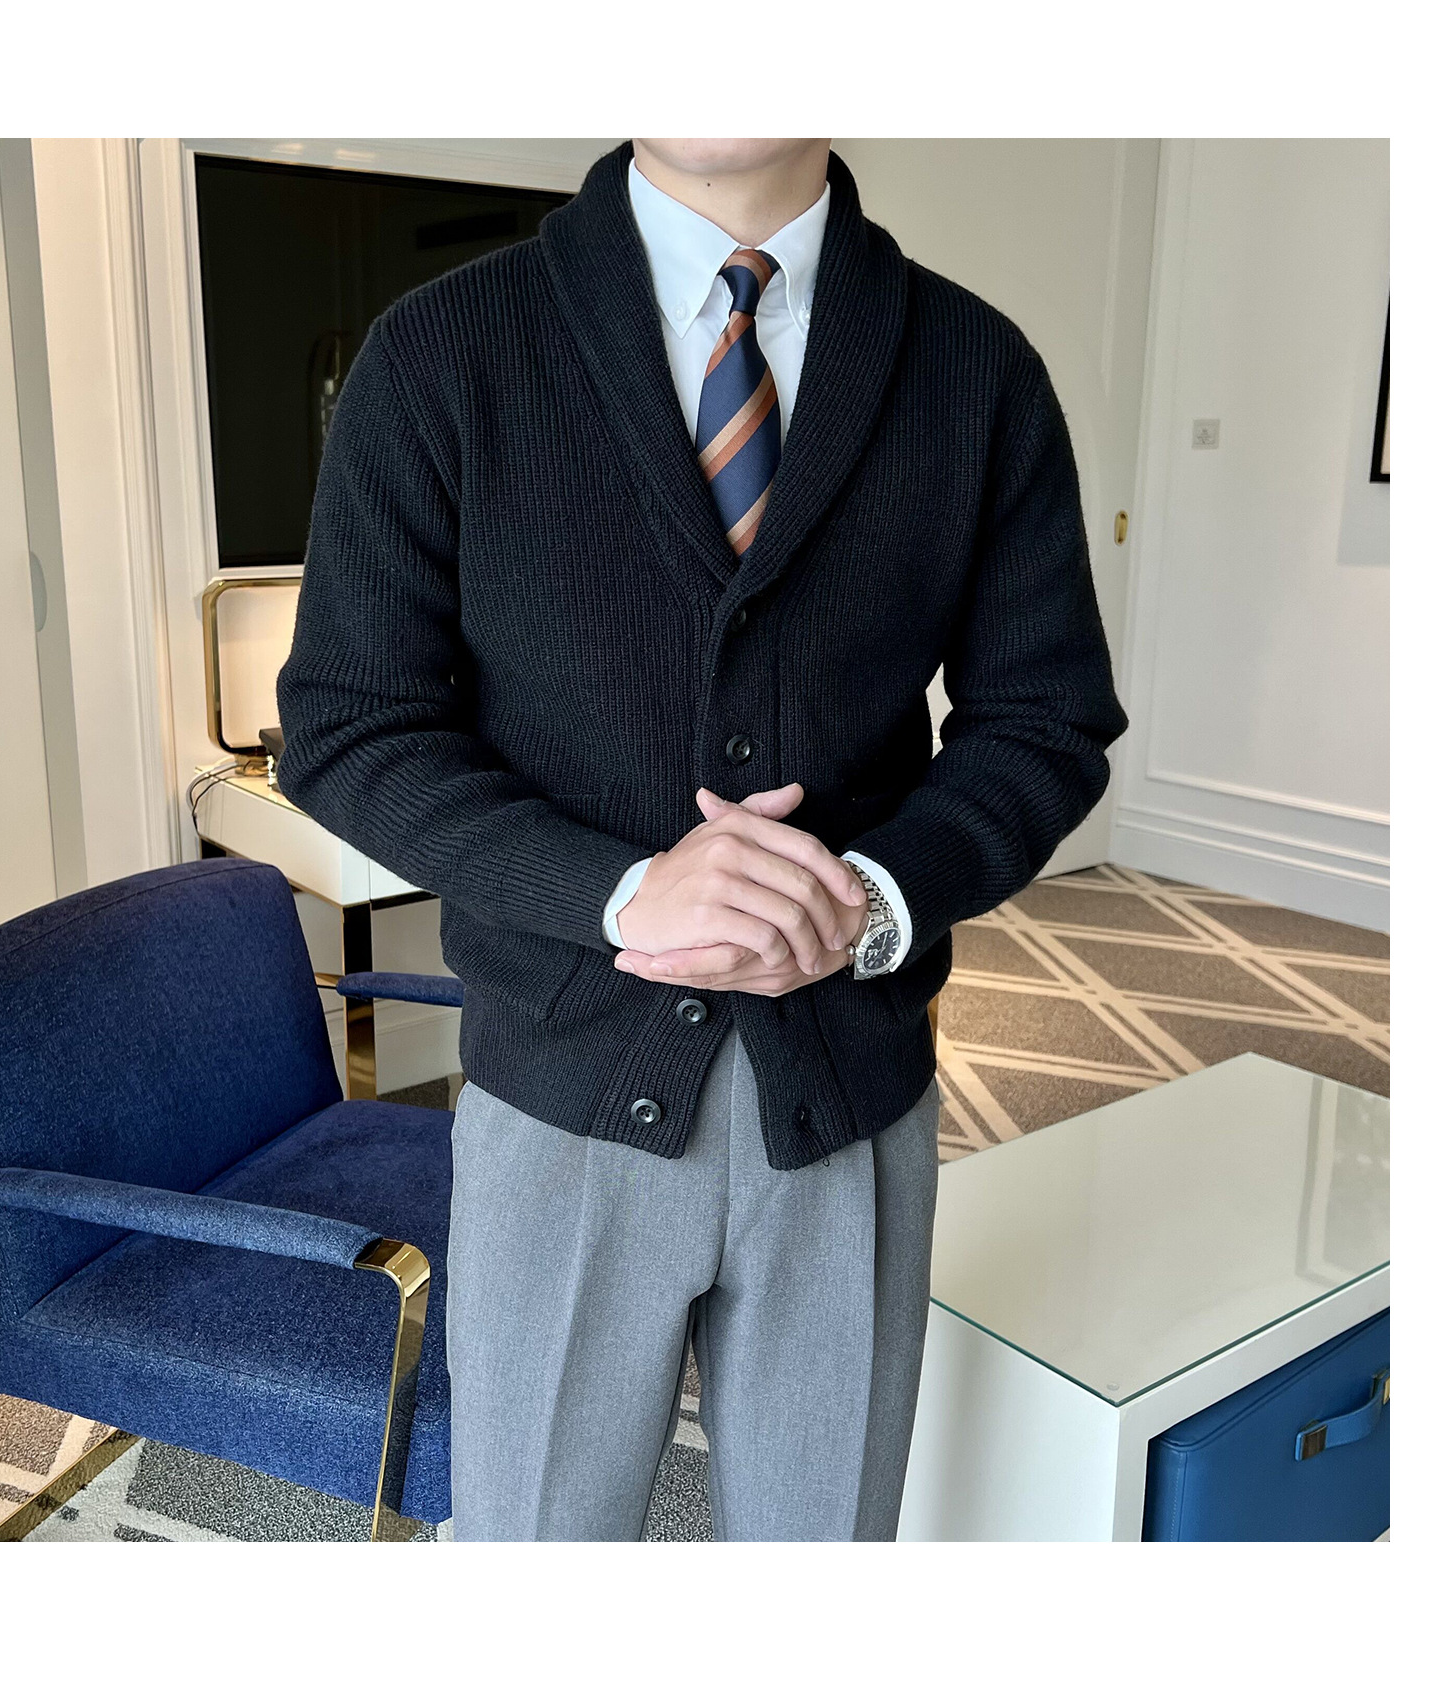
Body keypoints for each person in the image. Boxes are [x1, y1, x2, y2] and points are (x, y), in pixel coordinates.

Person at [276, 137, 1128, 1540]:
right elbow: (349, 725)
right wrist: (619, 894)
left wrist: (872, 896)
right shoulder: (443, 352)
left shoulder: (976, 369)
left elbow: (1046, 718)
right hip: (561, 1100)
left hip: (849, 1095)